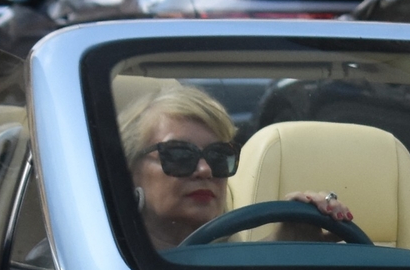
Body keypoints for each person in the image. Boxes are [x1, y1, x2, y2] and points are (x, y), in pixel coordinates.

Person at [117, 79, 352, 253]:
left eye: (219, 156)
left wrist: (289, 247)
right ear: (128, 170)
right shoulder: (95, 269)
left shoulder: (238, 263)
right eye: (179, 155)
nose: (205, 170)